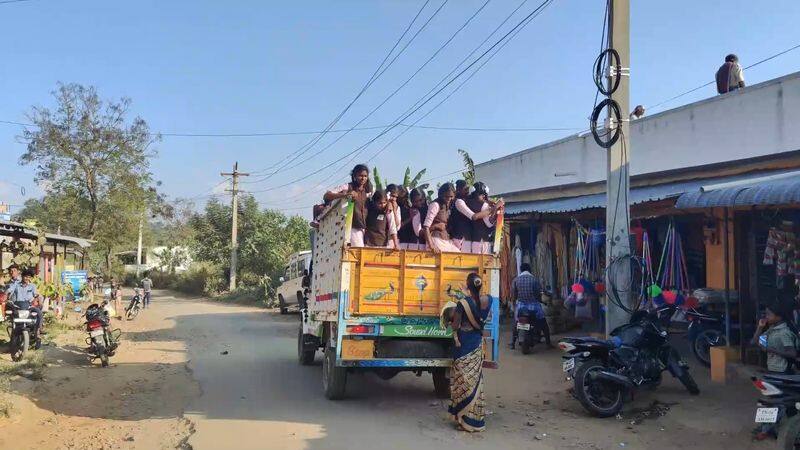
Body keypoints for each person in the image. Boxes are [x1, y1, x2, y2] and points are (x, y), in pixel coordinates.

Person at [449, 272, 492, 432]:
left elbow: (455, 325)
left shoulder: (462, 304)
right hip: (476, 345)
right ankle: (475, 420)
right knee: (476, 381)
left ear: (467, 286)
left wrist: (450, 320)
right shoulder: (488, 300)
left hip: (464, 344)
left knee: (463, 382)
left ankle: (464, 420)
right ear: (480, 285)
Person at [752, 300, 798, 440]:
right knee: (785, 403)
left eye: (769, 314)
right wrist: (760, 327)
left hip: (782, 372)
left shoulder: (783, 333)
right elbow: (756, 342)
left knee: (775, 402)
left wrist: (771, 350)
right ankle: (792, 430)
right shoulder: (771, 329)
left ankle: (767, 430)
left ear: (779, 317)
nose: (766, 316)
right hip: (773, 371)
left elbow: (792, 354)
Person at [324, 164, 373, 247]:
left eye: (365, 176)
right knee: (359, 250)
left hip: (366, 229)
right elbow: (327, 195)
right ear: (354, 176)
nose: (363, 178)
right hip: (352, 227)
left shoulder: (369, 190)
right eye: (360, 175)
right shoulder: (347, 187)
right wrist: (345, 195)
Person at [509, 263, 551, 349]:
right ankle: (548, 343)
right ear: (529, 270)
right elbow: (538, 294)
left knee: (516, 323)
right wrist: (541, 300)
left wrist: (514, 305)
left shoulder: (516, 280)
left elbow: (514, 295)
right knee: (543, 323)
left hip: (521, 306)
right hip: (533, 306)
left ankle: (512, 343)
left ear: (521, 270)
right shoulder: (534, 279)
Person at [453, 182, 502, 254]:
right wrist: (495, 208)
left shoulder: (466, 202)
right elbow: (487, 223)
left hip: (468, 241)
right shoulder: (484, 206)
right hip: (480, 242)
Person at [423, 183, 461, 254]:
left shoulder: (447, 205)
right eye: (446, 196)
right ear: (441, 194)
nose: (449, 199)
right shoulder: (435, 205)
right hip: (436, 240)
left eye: (451, 196)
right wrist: (432, 246)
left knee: (459, 256)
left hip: (445, 241)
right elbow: (426, 227)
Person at [6, 269, 43, 336]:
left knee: (39, 313)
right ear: (22, 276)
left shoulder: (32, 286)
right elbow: (9, 290)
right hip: (18, 306)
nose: (27, 278)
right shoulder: (16, 284)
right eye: (25, 277)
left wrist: (39, 300)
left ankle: (38, 331)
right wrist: (6, 294)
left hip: (29, 306)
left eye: (29, 277)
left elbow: (36, 294)